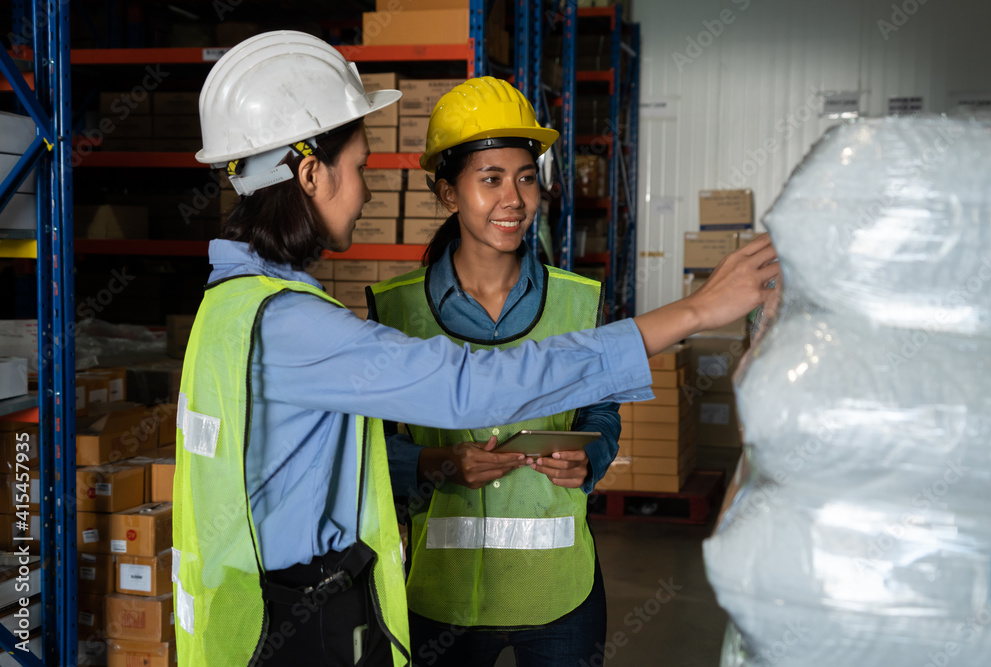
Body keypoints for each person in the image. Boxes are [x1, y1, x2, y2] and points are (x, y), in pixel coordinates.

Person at [174, 31, 779, 667]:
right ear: (309, 173)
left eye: (525, 178)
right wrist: (697, 310)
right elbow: (473, 388)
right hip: (295, 624)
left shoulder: (232, 305)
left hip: (258, 615)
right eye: (360, 169)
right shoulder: (292, 323)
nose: (369, 191)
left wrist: (592, 452)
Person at [368, 76, 622, 667]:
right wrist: (433, 464)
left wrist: (591, 457)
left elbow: (601, 411)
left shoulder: (577, 302)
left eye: (526, 177)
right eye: (490, 179)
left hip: (560, 588)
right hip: (441, 591)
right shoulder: (397, 311)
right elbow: (366, 448)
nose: (514, 198)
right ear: (448, 193)